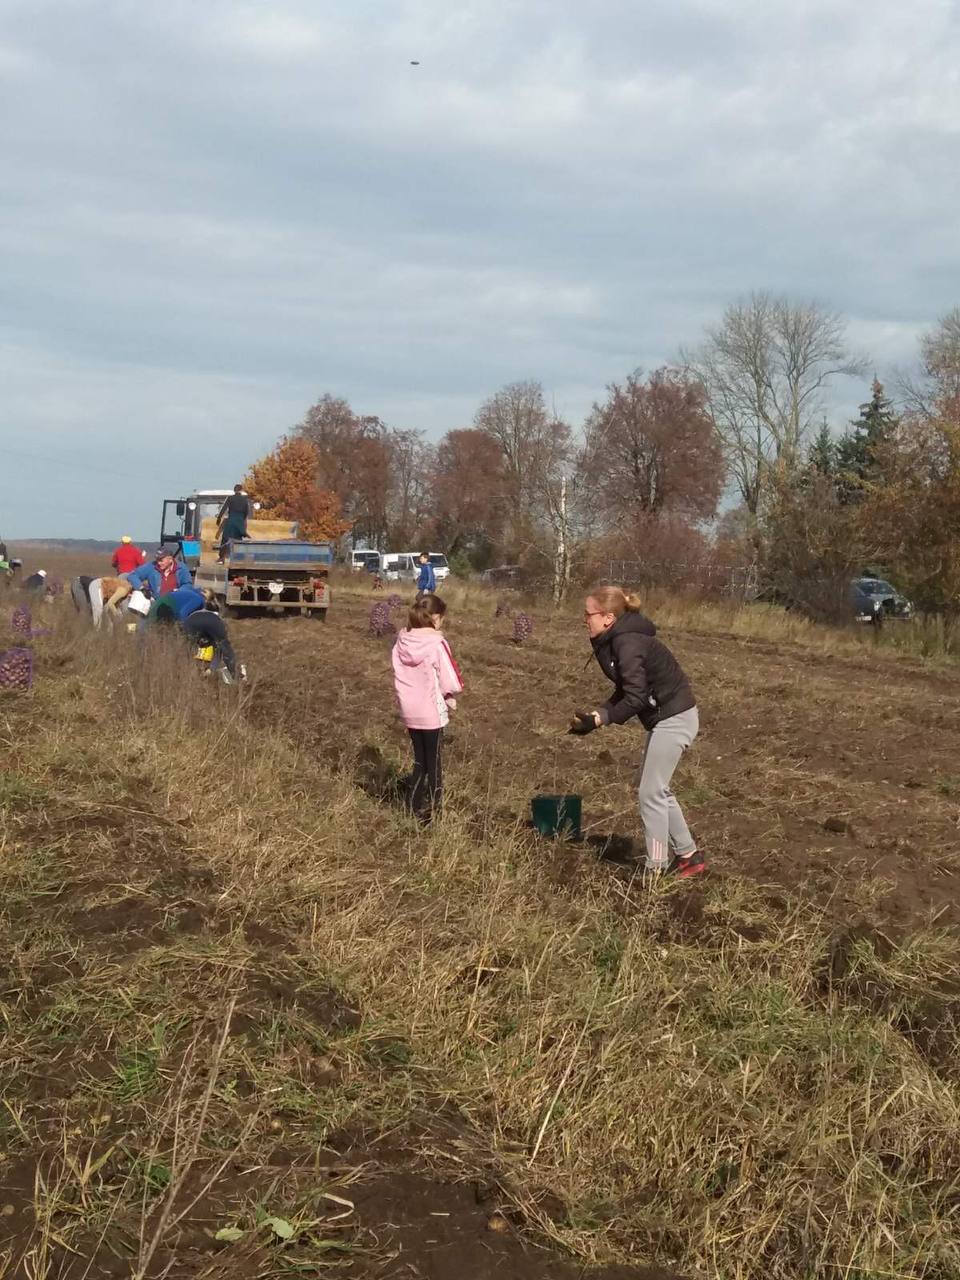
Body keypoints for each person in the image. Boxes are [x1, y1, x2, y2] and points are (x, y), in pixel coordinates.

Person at [569, 585, 705, 882]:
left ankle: (655, 867)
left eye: (587, 613)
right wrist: (597, 716)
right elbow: (627, 690)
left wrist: (601, 721)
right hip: (668, 717)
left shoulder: (626, 642)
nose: (584, 619)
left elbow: (636, 698)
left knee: (650, 792)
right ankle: (688, 856)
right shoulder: (615, 639)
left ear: (607, 617)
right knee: (656, 788)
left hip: (675, 717)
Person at [391, 593, 463, 823]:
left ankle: (411, 808)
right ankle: (436, 811)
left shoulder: (401, 642)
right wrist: (451, 694)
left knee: (419, 761)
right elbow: (449, 676)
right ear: (435, 618)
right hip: (430, 711)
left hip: (410, 711)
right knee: (434, 763)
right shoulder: (436, 643)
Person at [181, 595, 242, 682]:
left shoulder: (198, 633)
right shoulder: (216, 626)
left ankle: (185, 675)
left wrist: (208, 670)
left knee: (185, 650)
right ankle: (236, 676)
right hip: (213, 622)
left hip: (191, 621)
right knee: (226, 649)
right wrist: (211, 669)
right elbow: (219, 653)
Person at [125, 547, 192, 597]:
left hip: (175, 601)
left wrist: (178, 591)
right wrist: (142, 589)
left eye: (161, 560)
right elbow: (133, 575)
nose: (158, 563)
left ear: (170, 559)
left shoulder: (181, 568)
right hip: (156, 602)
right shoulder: (151, 566)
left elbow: (187, 584)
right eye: (157, 560)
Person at [217, 485, 252, 562]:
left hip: (231, 520)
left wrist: (219, 519)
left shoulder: (230, 498)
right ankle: (238, 557)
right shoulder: (245, 500)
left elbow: (223, 509)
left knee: (225, 538)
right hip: (240, 522)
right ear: (241, 490)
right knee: (238, 539)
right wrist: (243, 524)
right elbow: (246, 513)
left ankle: (221, 557)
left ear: (234, 490)